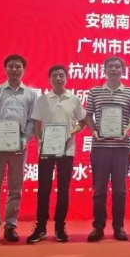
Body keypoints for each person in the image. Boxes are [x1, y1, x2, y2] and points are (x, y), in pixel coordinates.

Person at [26, 65, 86, 243]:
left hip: (67, 150)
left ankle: (60, 227)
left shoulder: (74, 99)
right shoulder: (42, 100)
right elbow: (37, 124)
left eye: (61, 75)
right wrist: (40, 142)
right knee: (43, 189)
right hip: (47, 150)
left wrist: (71, 132)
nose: (58, 78)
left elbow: (82, 122)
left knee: (63, 190)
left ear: (66, 78)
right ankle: (41, 227)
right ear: (49, 79)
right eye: (54, 76)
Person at [0, 55, 37, 245]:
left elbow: (31, 120)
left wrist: (24, 140)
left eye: (18, 67)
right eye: (11, 66)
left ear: (24, 70)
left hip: (18, 148)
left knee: (15, 188)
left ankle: (10, 226)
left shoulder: (31, 94)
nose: (14, 70)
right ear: (5, 68)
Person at [85, 57, 130, 242]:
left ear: (123, 70)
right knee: (99, 190)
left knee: (119, 190)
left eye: (117, 66)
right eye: (110, 66)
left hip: (121, 148)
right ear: (104, 70)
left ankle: (118, 226)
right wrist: (93, 131)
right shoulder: (95, 92)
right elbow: (88, 115)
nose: (114, 69)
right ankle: (98, 227)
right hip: (100, 147)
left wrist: (126, 130)